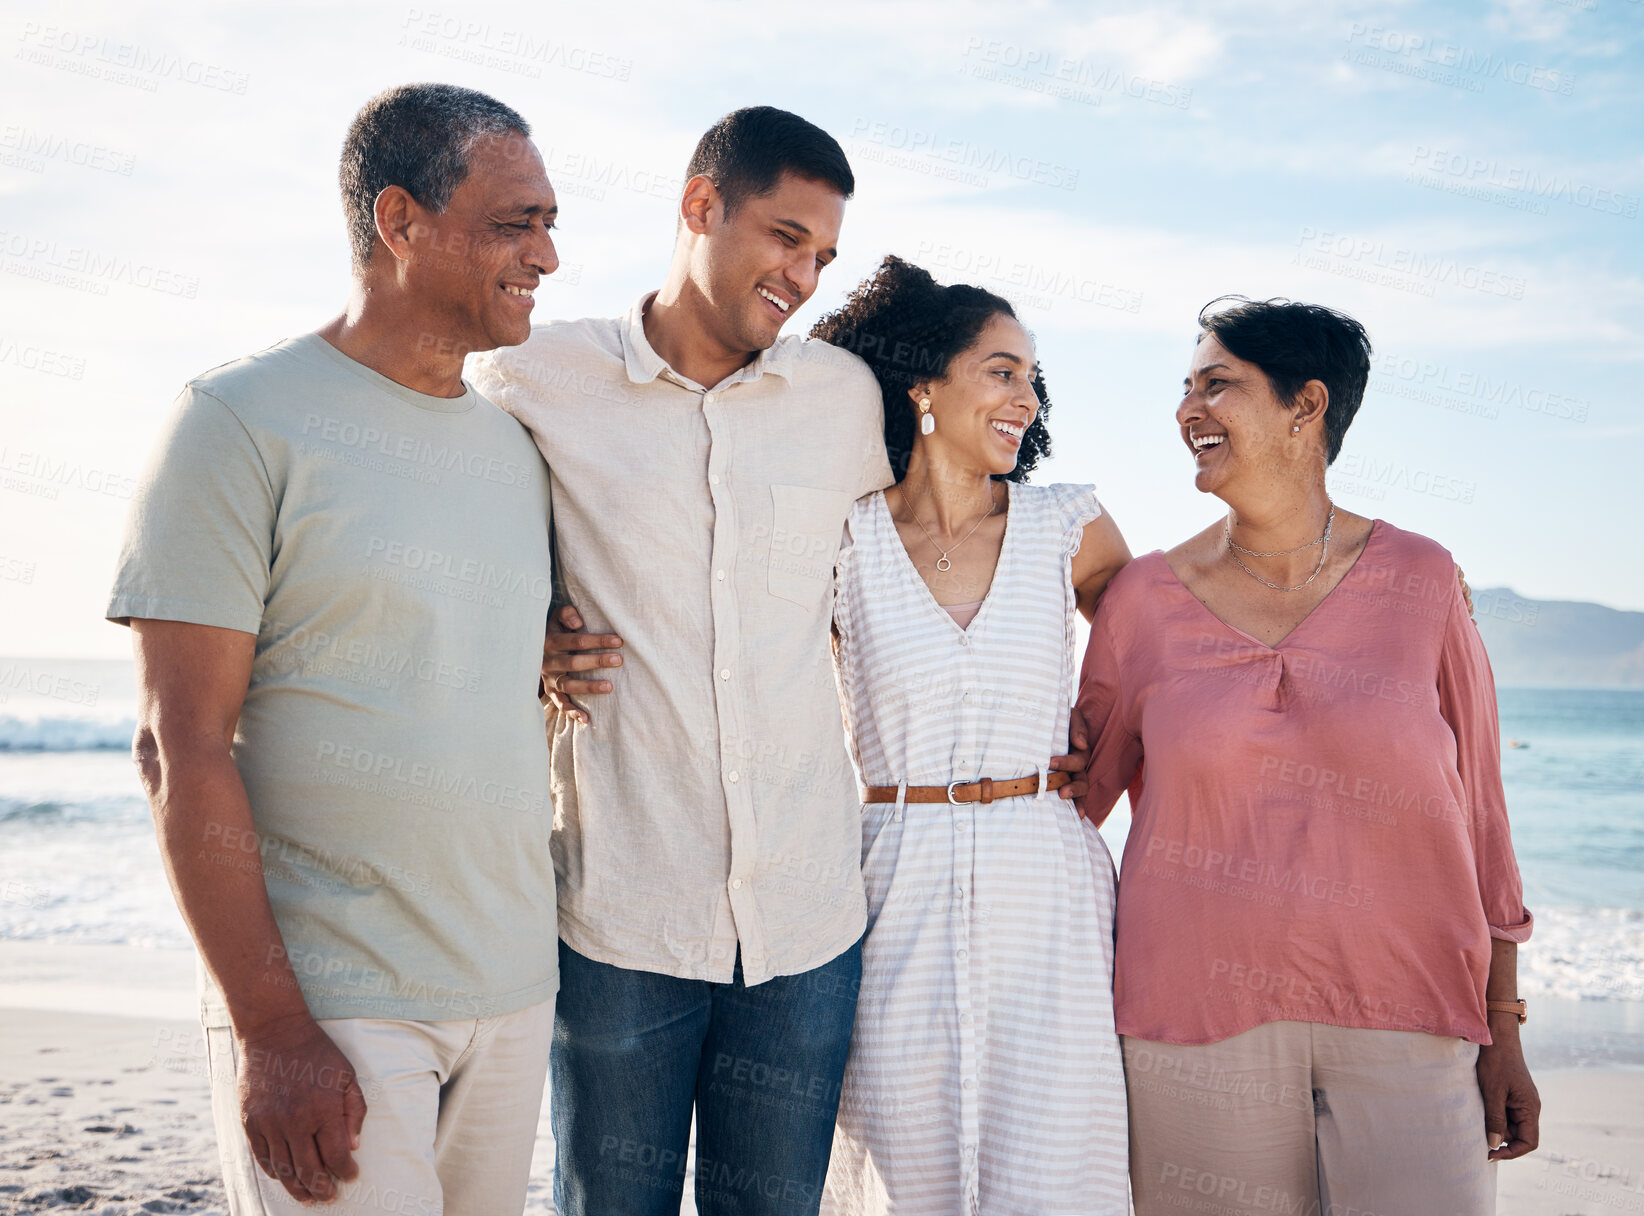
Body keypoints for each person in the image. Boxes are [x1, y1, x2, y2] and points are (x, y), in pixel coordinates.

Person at [106, 84, 561, 1213]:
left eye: (551, 222)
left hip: (511, 992)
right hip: (333, 1004)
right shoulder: (237, 421)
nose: (548, 255)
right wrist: (272, 1028)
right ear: (400, 221)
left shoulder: (518, 448)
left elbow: (454, 658)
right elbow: (179, 745)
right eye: (516, 223)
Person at [467, 106, 890, 1216]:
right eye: (786, 237)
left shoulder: (841, 400)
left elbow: (907, 574)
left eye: (823, 257)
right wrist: (534, 631)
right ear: (702, 207)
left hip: (804, 923)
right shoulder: (535, 377)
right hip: (622, 914)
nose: (803, 276)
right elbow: (453, 538)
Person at [1073, 296, 1539, 1215]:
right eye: (1186, 387)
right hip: (1191, 1028)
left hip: (1411, 1015)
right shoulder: (1143, 601)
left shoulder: (1424, 580)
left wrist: (1507, 1023)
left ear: (1306, 405)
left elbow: (1483, 812)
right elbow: (1068, 802)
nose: (1187, 411)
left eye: (1219, 385)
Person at [808, 256, 1133, 1214]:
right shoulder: (843, 538)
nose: (1025, 397)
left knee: (1053, 1167)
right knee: (900, 1162)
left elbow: (1179, 650)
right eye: (1001, 371)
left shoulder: (1065, 523)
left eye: (1031, 377)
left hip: (1048, 881)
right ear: (923, 389)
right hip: (888, 877)